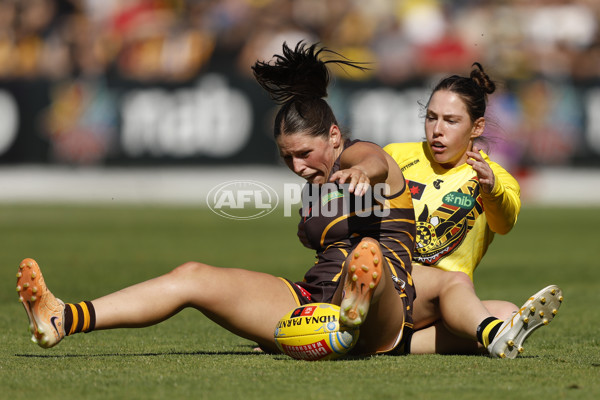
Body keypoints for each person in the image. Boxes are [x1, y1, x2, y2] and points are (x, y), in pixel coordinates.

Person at [16, 42, 561, 359]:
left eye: (305, 153)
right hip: (312, 300)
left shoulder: (366, 155)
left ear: (334, 137)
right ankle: (65, 318)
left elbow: (374, 163)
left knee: (371, 272)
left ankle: (359, 312)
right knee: (193, 274)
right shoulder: (314, 182)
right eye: (286, 159)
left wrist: (361, 177)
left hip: (388, 297)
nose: (299, 167)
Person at [384, 63, 561, 355]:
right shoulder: (396, 155)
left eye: (451, 121)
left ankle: (402, 345)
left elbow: (504, 224)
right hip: (393, 287)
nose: (437, 130)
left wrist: (491, 190)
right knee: (463, 291)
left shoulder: (494, 177)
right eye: (431, 118)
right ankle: (485, 333)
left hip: (443, 302)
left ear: (476, 127)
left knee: (507, 312)